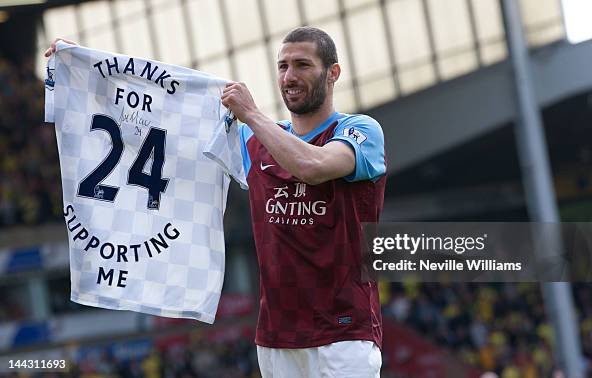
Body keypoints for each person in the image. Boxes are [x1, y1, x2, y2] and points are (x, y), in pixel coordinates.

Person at [46, 26, 386, 377]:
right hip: (276, 337)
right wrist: (89, 69)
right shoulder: (252, 142)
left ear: (333, 73)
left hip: (344, 333)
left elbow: (312, 167)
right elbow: (158, 118)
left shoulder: (360, 131)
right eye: (283, 66)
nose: (290, 76)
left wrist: (252, 114)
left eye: (303, 65)